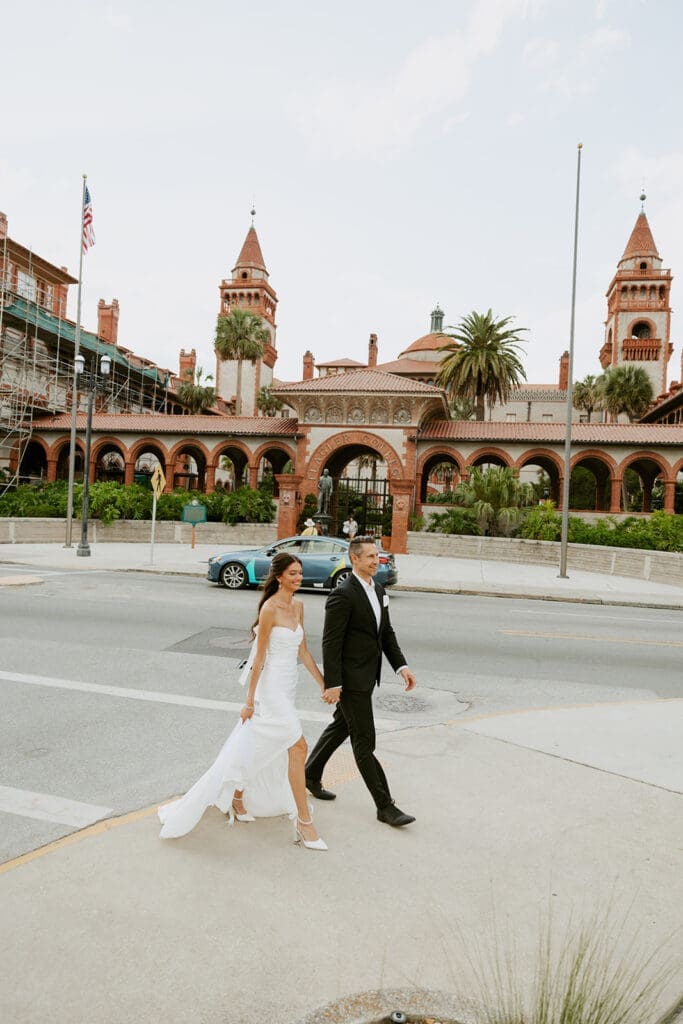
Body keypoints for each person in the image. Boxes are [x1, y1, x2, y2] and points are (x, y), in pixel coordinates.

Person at [158, 553, 329, 850]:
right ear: (279, 577)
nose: (298, 578)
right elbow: (259, 658)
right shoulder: (270, 609)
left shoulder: (299, 606)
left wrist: (323, 682)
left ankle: (237, 794)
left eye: (300, 573)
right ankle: (304, 822)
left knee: (263, 745)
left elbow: (303, 651)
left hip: (288, 686)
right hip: (270, 689)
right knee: (298, 746)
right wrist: (249, 700)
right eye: (292, 573)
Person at [305, 536, 417, 827]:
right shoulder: (343, 594)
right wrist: (333, 683)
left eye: (377, 556)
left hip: (368, 676)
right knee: (364, 742)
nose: (376, 561)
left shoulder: (378, 589)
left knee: (342, 726)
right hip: (351, 681)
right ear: (354, 559)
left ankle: (310, 774)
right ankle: (385, 806)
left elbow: (386, 632)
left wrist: (401, 666)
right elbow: (331, 642)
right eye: (370, 556)